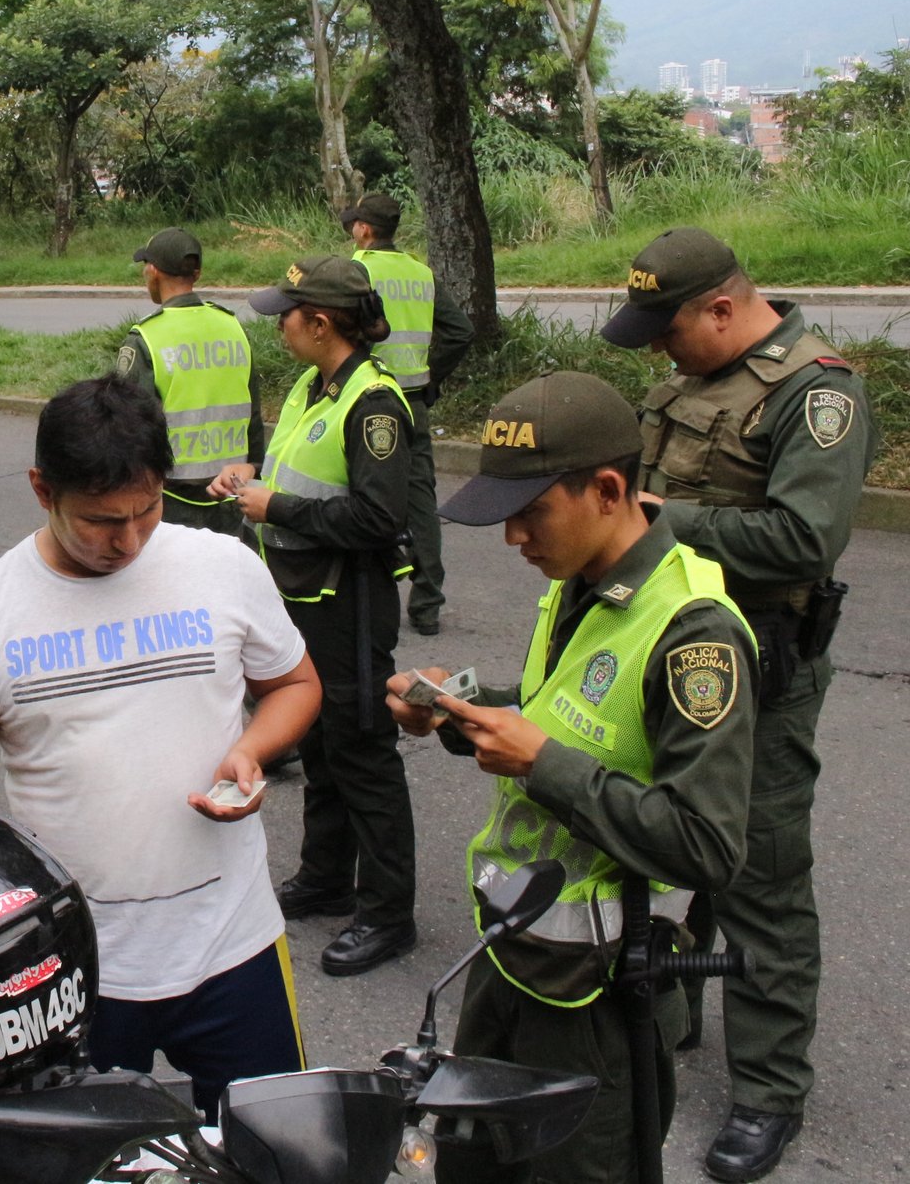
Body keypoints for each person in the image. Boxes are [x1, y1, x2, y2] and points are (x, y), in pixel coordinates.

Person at [387, 369, 758, 1184]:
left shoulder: (694, 634)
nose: (514, 537)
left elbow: (706, 845)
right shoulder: (580, 579)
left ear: (609, 488)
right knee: (469, 1164)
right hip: (513, 957)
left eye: (530, 512)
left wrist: (541, 763)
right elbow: (562, 714)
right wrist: (462, 709)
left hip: (601, 996)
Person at [0, 375, 322, 1117]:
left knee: (279, 1150)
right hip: (71, 966)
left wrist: (252, 748)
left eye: (147, 510)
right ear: (43, 489)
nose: (129, 540)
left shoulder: (223, 568)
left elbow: (295, 684)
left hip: (234, 942)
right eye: (102, 521)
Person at [599, 227, 877, 1183]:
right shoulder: (689, 374)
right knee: (675, 838)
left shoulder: (818, 392)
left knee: (758, 872)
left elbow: (803, 537)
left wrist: (650, 523)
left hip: (762, 667)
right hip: (670, 648)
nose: (659, 353)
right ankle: (675, 1000)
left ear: (721, 308)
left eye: (668, 332)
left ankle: (768, 1090)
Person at [224, 256, 418, 977]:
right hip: (304, 594)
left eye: (288, 313)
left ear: (322, 322)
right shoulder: (316, 385)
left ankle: (388, 912)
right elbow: (305, 471)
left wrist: (278, 506)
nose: (280, 323)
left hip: (350, 599)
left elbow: (377, 514)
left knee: (364, 749)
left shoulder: (374, 403)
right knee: (326, 743)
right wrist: (252, 479)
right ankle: (327, 877)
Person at [341, 192, 475, 636]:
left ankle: (359, 591)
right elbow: (460, 331)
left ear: (364, 229)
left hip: (366, 399)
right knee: (420, 501)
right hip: (413, 400)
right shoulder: (422, 273)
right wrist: (431, 378)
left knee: (358, 494)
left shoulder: (356, 271)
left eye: (353, 224)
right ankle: (428, 605)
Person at [114, 226, 264, 534]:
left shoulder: (146, 338)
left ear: (153, 271)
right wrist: (255, 468)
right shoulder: (232, 327)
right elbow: (254, 413)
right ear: (197, 273)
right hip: (233, 495)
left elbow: (128, 427)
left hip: (172, 503)